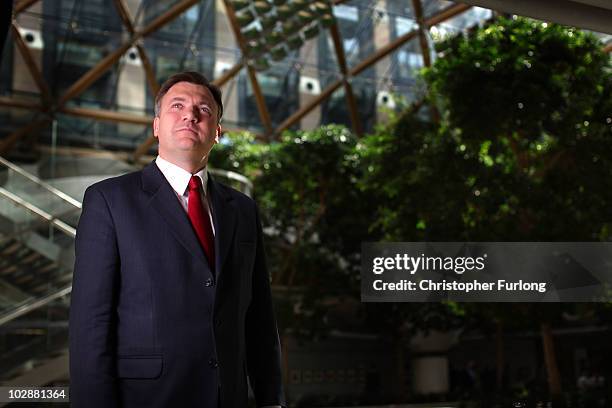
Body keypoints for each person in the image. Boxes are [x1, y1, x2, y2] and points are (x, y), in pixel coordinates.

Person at [69, 71, 285, 408]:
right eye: (178, 105)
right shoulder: (110, 201)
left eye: (204, 109)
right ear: (156, 125)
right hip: (146, 398)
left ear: (216, 132)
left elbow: (259, 317)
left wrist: (272, 399)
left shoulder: (242, 209)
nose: (190, 114)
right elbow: (91, 322)